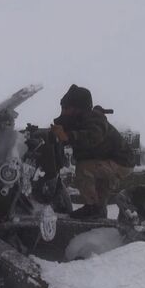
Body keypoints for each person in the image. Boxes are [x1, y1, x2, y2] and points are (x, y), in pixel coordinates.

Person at [51, 84, 134, 219]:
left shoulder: (94, 119)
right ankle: (97, 219)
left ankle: (92, 209)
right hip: (107, 160)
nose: (64, 111)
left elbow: (94, 136)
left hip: (121, 162)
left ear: (78, 109)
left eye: (67, 108)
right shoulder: (76, 119)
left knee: (84, 169)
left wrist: (68, 136)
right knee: (99, 195)